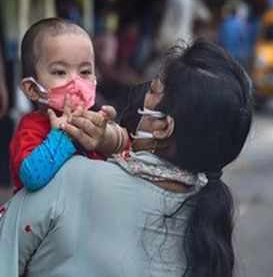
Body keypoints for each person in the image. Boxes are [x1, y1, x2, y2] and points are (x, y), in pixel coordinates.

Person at [0, 40, 253, 277]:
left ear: (164, 128)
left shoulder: (71, 179)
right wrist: (116, 142)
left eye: (153, 90)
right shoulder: (207, 219)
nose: (144, 93)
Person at [9, 18, 129, 193]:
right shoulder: (31, 128)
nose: (76, 83)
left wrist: (109, 138)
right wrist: (62, 136)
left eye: (85, 72)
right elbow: (32, 177)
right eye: (60, 72)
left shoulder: (95, 122)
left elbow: (130, 160)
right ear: (33, 89)